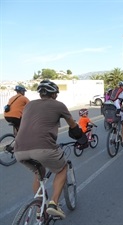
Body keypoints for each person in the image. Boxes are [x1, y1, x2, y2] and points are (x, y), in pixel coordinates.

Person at [14, 80, 87, 219]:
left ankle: (39, 207)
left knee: (39, 172)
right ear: (53, 94)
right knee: (62, 169)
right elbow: (73, 126)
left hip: (19, 149)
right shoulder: (58, 105)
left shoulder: (29, 105)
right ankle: (53, 204)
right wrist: (82, 140)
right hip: (44, 148)